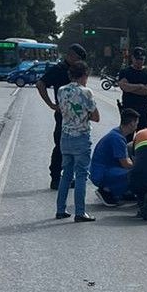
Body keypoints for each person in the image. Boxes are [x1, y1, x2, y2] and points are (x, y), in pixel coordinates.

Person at [54, 61, 100, 223]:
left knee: (66, 174)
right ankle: (80, 212)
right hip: (81, 137)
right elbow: (96, 117)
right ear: (84, 75)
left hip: (65, 136)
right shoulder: (86, 92)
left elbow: (62, 109)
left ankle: (60, 209)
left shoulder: (61, 91)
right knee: (81, 175)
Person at [37, 43, 87, 190]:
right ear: (70, 56)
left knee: (74, 147)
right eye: (77, 58)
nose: (79, 62)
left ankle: (68, 176)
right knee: (60, 146)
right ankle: (55, 178)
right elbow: (41, 84)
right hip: (63, 115)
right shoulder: (58, 70)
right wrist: (51, 104)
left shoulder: (78, 70)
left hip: (77, 117)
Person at [90, 108, 139, 207]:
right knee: (134, 174)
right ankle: (106, 190)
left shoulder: (117, 133)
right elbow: (125, 163)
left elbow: (126, 158)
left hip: (103, 169)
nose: (137, 126)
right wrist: (139, 167)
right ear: (132, 124)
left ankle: (119, 191)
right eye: (136, 123)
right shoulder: (117, 139)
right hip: (101, 173)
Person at [118, 47, 147, 125]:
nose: (139, 61)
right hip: (128, 108)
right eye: (137, 59)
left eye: (141, 59)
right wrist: (140, 86)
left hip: (143, 109)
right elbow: (124, 87)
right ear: (132, 58)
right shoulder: (125, 72)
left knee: (143, 135)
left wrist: (131, 87)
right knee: (127, 135)